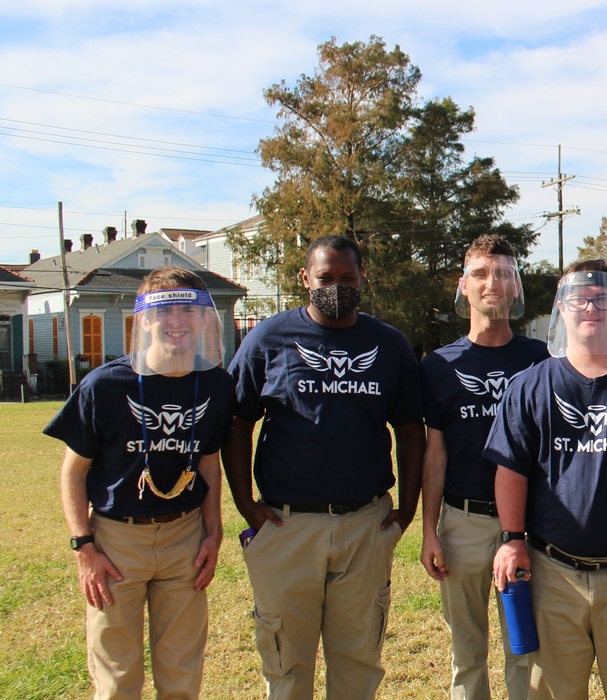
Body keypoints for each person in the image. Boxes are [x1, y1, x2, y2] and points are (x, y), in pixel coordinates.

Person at [223, 235, 425, 700]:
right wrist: (245, 504)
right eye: (325, 278)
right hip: (287, 525)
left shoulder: (388, 344)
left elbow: (411, 431)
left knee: (358, 662)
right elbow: (237, 425)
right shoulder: (268, 339)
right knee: (286, 665)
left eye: (347, 278)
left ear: (362, 277)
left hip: (365, 524)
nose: (337, 287)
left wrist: (408, 509)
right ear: (304, 279)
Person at [487, 260, 607, 700]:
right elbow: (510, 469)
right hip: (553, 571)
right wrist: (512, 539)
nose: (590, 307)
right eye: (578, 299)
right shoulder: (530, 385)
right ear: (560, 308)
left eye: (602, 298)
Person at [45, 266, 233, 699]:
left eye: (187, 310)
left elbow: (209, 463)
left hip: (184, 535)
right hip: (116, 540)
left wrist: (213, 532)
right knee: (117, 675)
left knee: (182, 671)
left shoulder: (216, 385)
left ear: (204, 318)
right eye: (164, 311)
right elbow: (73, 470)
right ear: (143, 320)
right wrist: (83, 547)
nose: (176, 321)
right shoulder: (105, 386)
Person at [420, 235, 547, 700]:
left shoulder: (542, 360)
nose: (491, 283)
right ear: (463, 285)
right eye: (480, 273)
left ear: (516, 287)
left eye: (503, 274)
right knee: (466, 652)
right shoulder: (438, 365)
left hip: (529, 526)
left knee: (527, 651)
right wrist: (429, 530)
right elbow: (435, 454)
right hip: (463, 522)